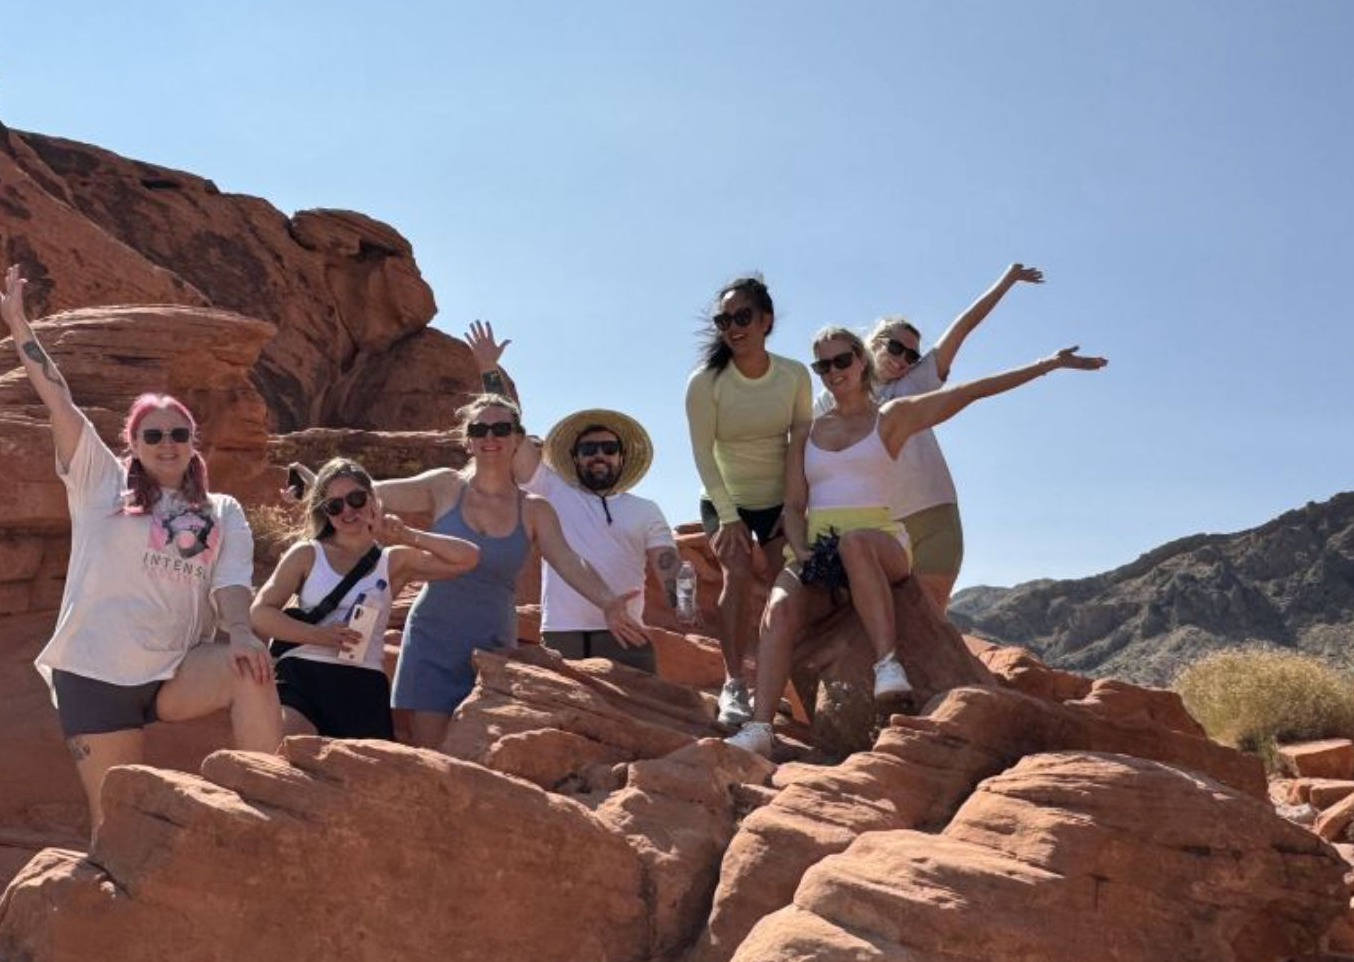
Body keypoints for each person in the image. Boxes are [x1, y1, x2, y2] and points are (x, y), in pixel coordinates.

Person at [0, 265, 281, 847]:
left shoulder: (222, 509)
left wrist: (242, 633)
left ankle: (270, 800)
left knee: (250, 668)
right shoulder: (101, 484)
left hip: (173, 669)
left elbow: (230, 584)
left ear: (193, 442)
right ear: (133, 444)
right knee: (114, 825)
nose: (167, 444)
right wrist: (21, 327)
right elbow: (60, 401)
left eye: (178, 434)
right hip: (96, 673)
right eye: (153, 436)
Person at [727, 325, 1107, 757]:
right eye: (823, 365)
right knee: (778, 609)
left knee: (854, 544)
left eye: (842, 360)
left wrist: (1047, 364)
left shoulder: (890, 418)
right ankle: (760, 728)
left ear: (860, 359)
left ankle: (888, 667)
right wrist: (805, 549)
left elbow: (970, 392)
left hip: (881, 543)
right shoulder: (806, 433)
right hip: (820, 552)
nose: (834, 371)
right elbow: (793, 506)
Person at [344, 393, 649, 749]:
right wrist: (314, 489)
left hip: (494, 647)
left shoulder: (534, 509)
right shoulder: (443, 486)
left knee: (482, 754)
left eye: (502, 428)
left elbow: (567, 560)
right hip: (432, 639)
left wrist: (608, 601)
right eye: (480, 429)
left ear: (518, 438)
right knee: (434, 754)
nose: (491, 437)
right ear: (468, 440)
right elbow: (368, 495)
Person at [461, 322, 686, 672]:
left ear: (621, 456)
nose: (599, 455)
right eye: (589, 449)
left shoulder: (645, 510)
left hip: (625, 634)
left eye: (608, 448)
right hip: (562, 634)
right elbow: (512, 431)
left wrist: (681, 603)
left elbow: (666, 562)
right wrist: (490, 369)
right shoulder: (552, 489)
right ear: (575, 457)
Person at [824, 262, 1044, 609]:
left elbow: (964, 326)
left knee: (927, 620)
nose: (903, 360)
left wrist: (1008, 280)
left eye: (911, 355)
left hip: (934, 517)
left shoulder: (914, 383)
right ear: (873, 344)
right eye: (895, 348)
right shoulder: (832, 397)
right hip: (878, 523)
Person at [249, 459, 480, 739]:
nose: (346, 510)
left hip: (362, 682)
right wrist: (321, 636)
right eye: (334, 505)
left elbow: (468, 558)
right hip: (302, 672)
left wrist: (408, 535)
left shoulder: (392, 560)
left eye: (356, 499)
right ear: (325, 512)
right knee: (291, 754)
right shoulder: (308, 554)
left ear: (372, 499)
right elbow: (260, 613)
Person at [683, 277, 813, 728]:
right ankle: (734, 683)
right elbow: (702, 453)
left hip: (780, 501)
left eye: (742, 317)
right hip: (724, 498)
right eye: (724, 319)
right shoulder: (706, 382)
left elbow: (801, 442)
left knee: (789, 587)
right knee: (736, 574)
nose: (733, 327)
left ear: (766, 321)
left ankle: (788, 688)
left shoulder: (794, 374)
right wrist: (731, 516)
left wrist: (793, 507)